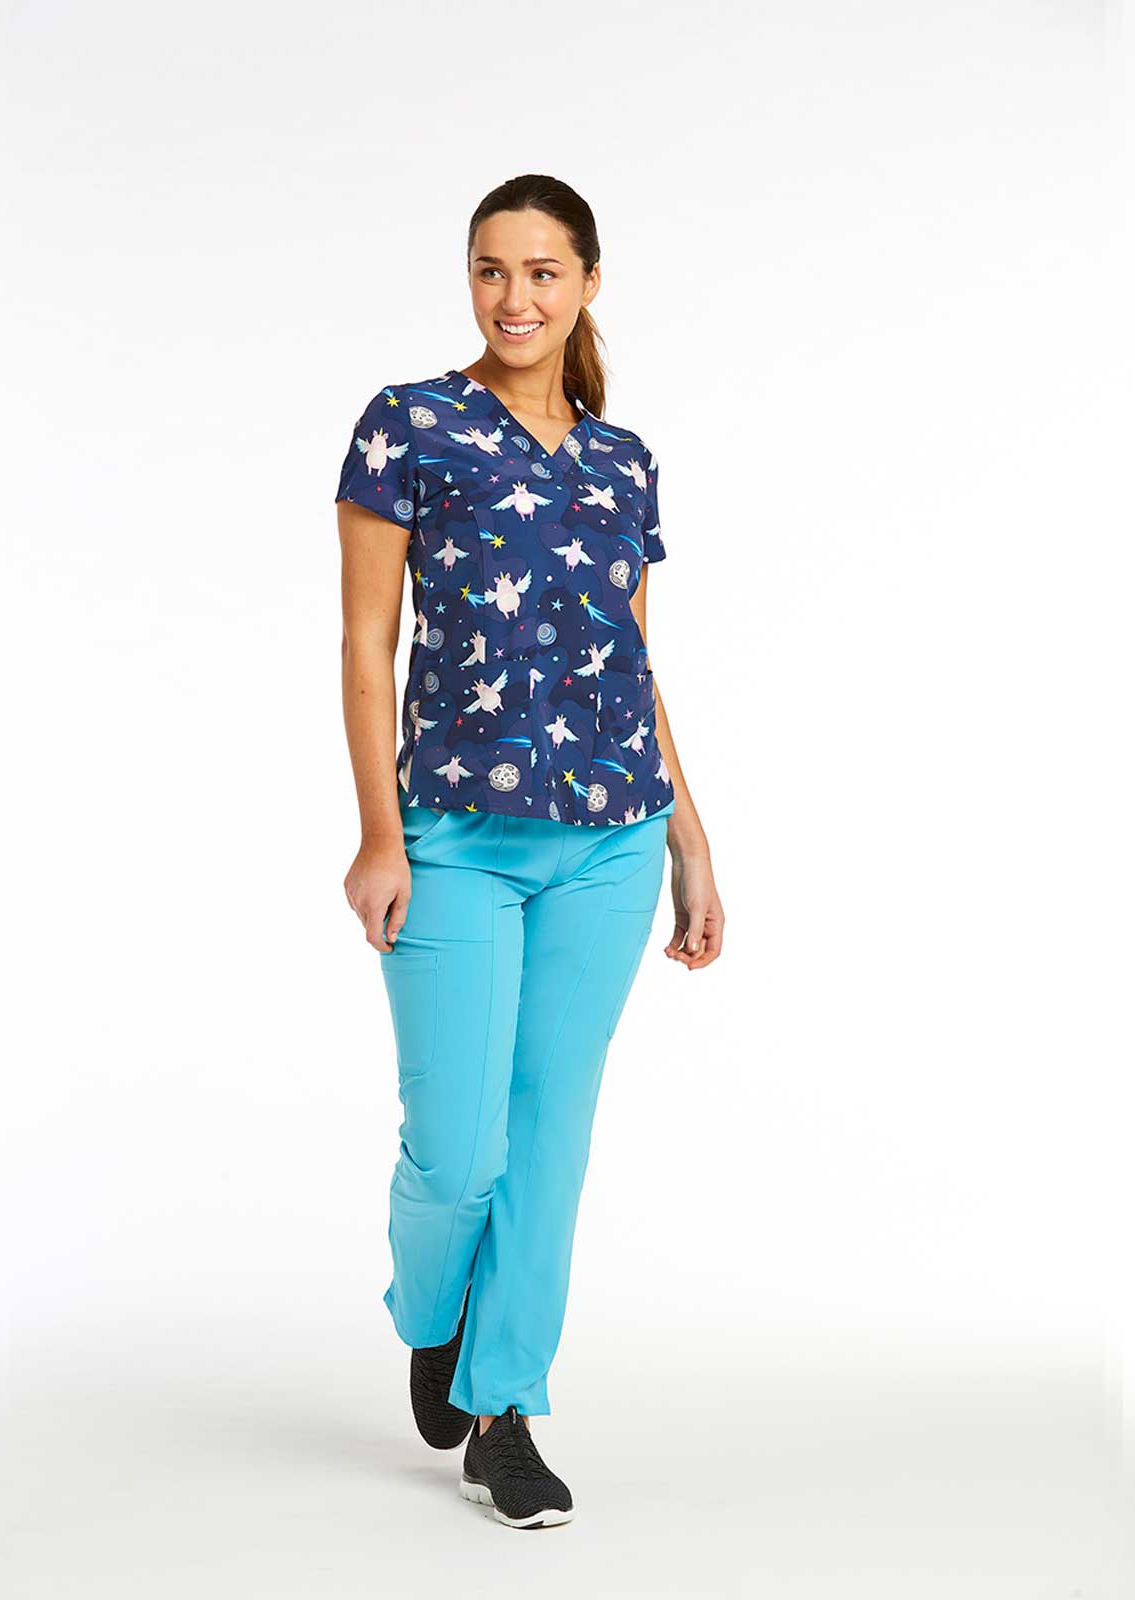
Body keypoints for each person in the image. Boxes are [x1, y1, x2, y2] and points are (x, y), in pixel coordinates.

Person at [335, 174, 724, 1530]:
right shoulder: (408, 426)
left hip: (612, 843)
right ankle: (431, 1311)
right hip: (453, 838)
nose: (515, 297)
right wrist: (378, 835)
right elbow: (366, 643)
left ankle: (505, 1407)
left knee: (548, 1136)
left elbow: (632, 660)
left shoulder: (622, 461)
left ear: (588, 285)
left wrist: (692, 839)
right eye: (491, 270)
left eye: (543, 272)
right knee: (457, 1147)